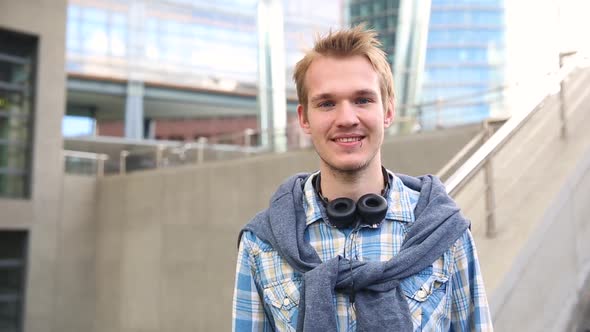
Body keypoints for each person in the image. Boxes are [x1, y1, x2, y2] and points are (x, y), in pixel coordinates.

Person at [232, 25, 492, 331]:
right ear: (304, 118)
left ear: (388, 111)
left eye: (363, 100)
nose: (346, 119)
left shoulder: (446, 234)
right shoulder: (262, 244)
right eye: (327, 103)